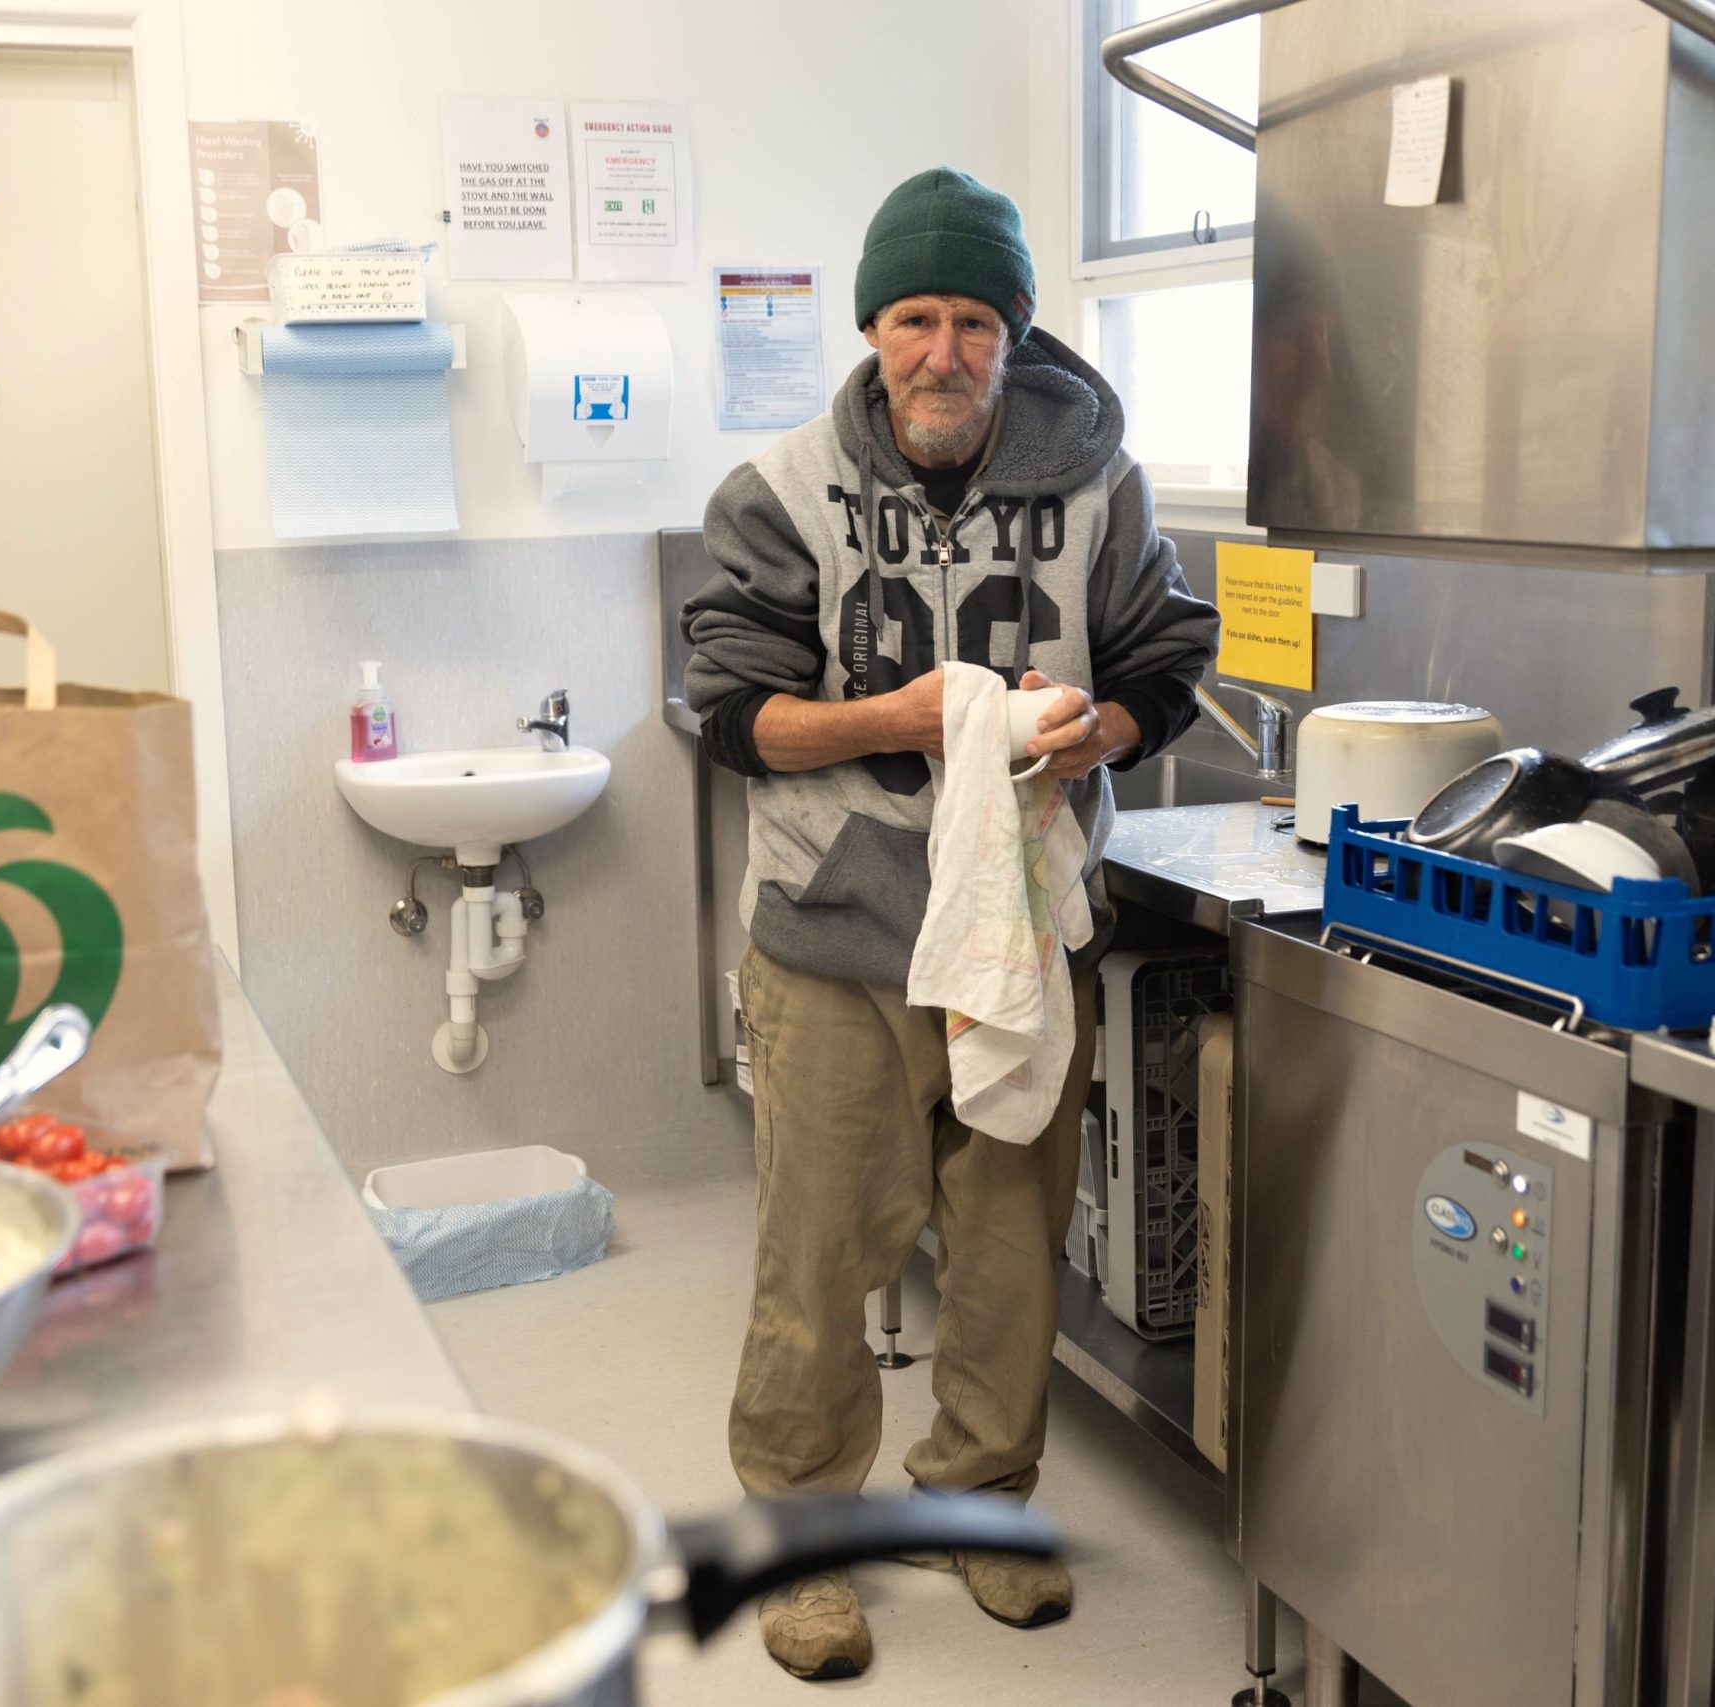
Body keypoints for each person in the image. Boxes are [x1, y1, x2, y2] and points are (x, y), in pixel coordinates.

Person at [681, 165, 1219, 1684]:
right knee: (818, 1254)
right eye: (915, 317)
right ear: (872, 329)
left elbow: (1170, 652)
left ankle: (981, 1503)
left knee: (1006, 1252)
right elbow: (730, 714)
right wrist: (894, 718)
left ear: (1014, 333)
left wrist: (1102, 731)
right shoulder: (780, 490)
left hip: (1027, 938)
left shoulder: (1101, 483)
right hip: (837, 937)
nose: (943, 350)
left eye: (974, 319)